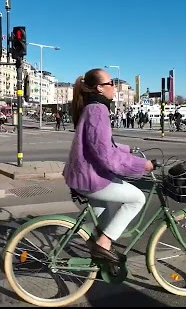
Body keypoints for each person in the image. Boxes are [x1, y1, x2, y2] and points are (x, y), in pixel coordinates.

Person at [63, 68, 155, 265]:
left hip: (81, 175)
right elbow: (106, 156)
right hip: (91, 178)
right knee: (137, 198)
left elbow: (98, 145)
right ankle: (103, 245)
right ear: (99, 88)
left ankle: (98, 251)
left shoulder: (91, 107)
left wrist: (126, 150)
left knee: (106, 219)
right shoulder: (98, 109)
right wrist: (142, 165)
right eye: (111, 83)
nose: (114, 87)